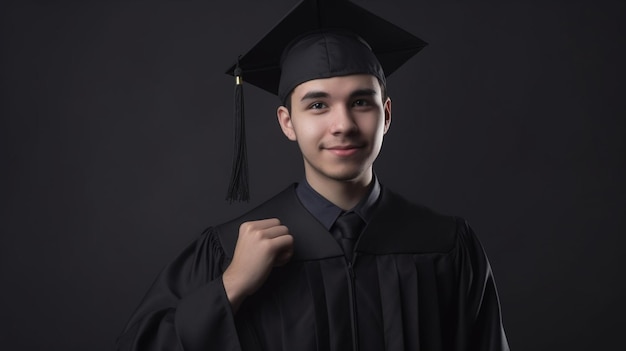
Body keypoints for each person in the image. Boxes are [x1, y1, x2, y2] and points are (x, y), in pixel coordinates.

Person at [117, 0, 509, 350]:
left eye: (360, 102)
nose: (343, 124)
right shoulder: (227, 252)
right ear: (287, 122)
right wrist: (231, 286)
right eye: (318, 105)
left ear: (386, 115)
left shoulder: (447, 246)